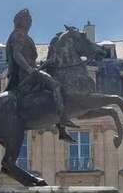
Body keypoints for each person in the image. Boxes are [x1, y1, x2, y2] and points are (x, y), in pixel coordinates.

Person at [5, 8, 77, 142]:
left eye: (30, 20)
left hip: (31, 70)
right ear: (20, 21)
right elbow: (17, 55)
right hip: (24, 74)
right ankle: (62, 122)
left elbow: (29, 58)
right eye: (27, 20)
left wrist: (40, 65)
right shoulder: (18, 34)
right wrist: (29, 69)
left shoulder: (24, 36)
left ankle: (61, 129)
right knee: (56, 86)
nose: (29, 23)